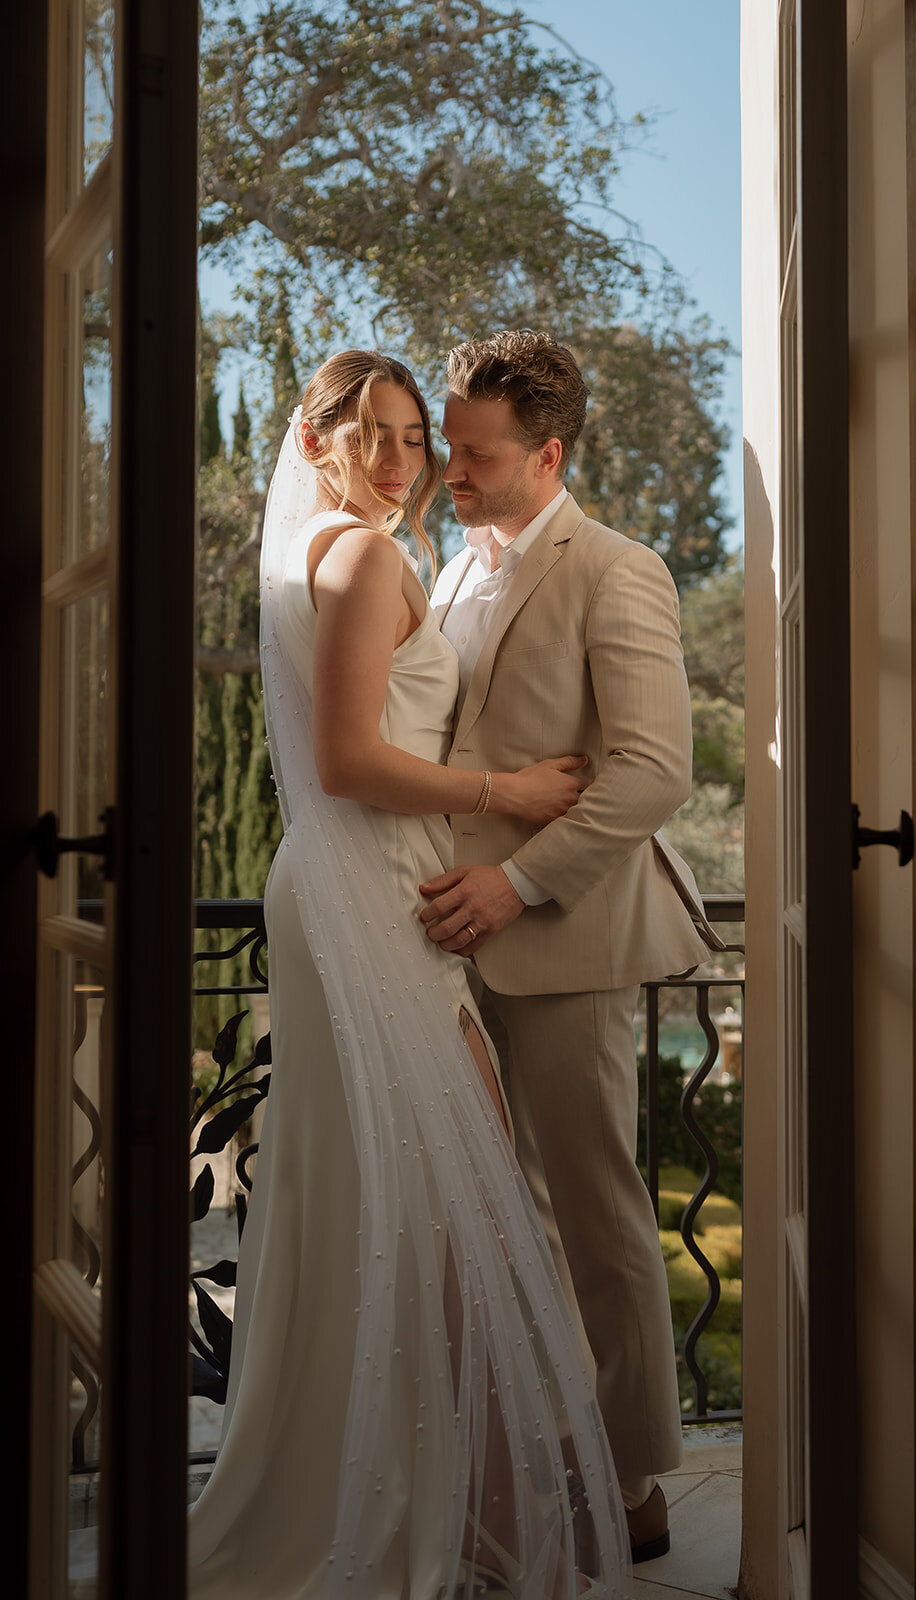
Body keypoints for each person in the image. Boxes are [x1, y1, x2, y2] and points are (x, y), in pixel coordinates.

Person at [186, 350, 630, 1599]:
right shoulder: (367, 555)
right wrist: (513, 791)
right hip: (369, 893)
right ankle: (472, 1512)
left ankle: (412, 1489)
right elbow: (343, 760)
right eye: (367, 434)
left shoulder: (316, 549)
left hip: (352, 893)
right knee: (455, 1214)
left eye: (411, 437)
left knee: (399, 1202)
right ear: (314, 438)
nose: (396, 459)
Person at [419, 330, 723, 1565]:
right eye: (450, 443)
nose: (453, 469)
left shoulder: (617, 568)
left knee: (596, 1226)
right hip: (444, 945)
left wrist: (519, 885)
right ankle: (529, 1455)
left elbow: (655, 769)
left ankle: (635, 1487)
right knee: (498, 1223)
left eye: (476, 452)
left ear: (547, 454)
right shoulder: (446, 570)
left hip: (565, 939)